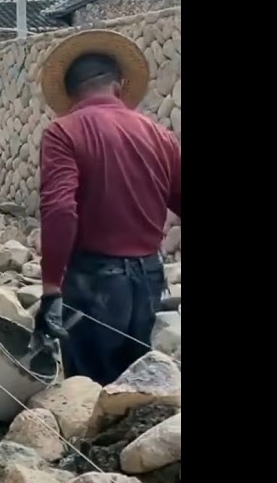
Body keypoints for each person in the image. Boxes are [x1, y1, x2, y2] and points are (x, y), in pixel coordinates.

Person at [31, 30, 182, 385]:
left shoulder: (63, 132)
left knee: (89, 393)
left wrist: (52, 289)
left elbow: (60, 212)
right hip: (148, 280)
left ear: (70, 93)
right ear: (119, 85)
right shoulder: (160, 135)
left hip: (92, 284)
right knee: (132, 389)